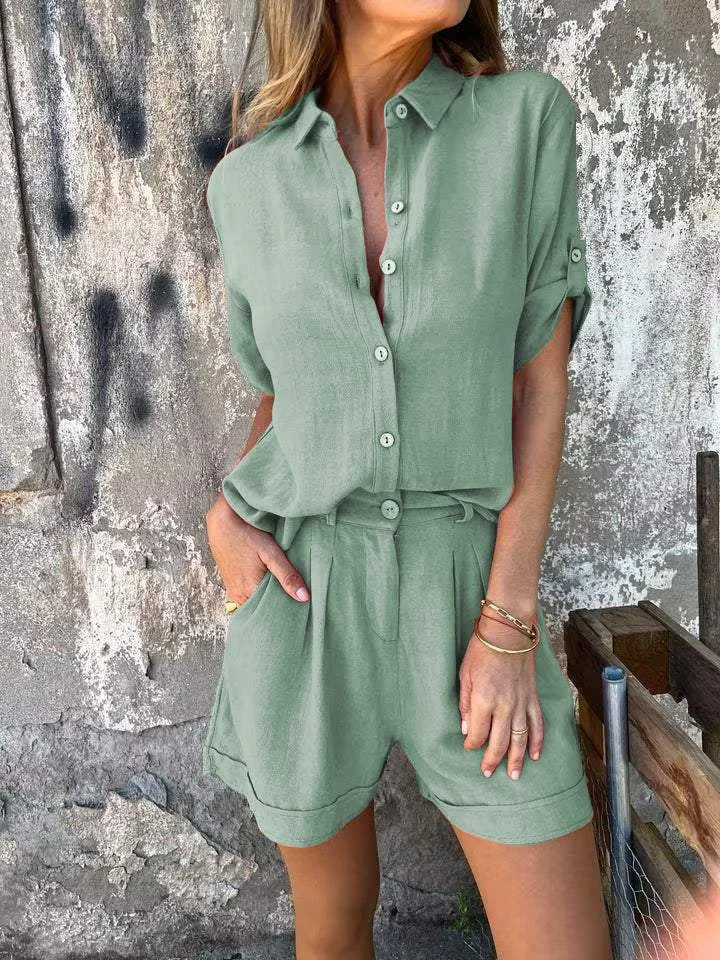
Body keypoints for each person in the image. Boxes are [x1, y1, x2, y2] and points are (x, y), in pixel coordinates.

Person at [202, 1, 612, 957]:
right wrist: (227, 517)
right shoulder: (248, 183)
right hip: (305, 594)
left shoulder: (524, 123)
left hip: (469, 589)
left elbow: (538, 384)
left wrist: (508, 620)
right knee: (332, 933)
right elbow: (282, 390)